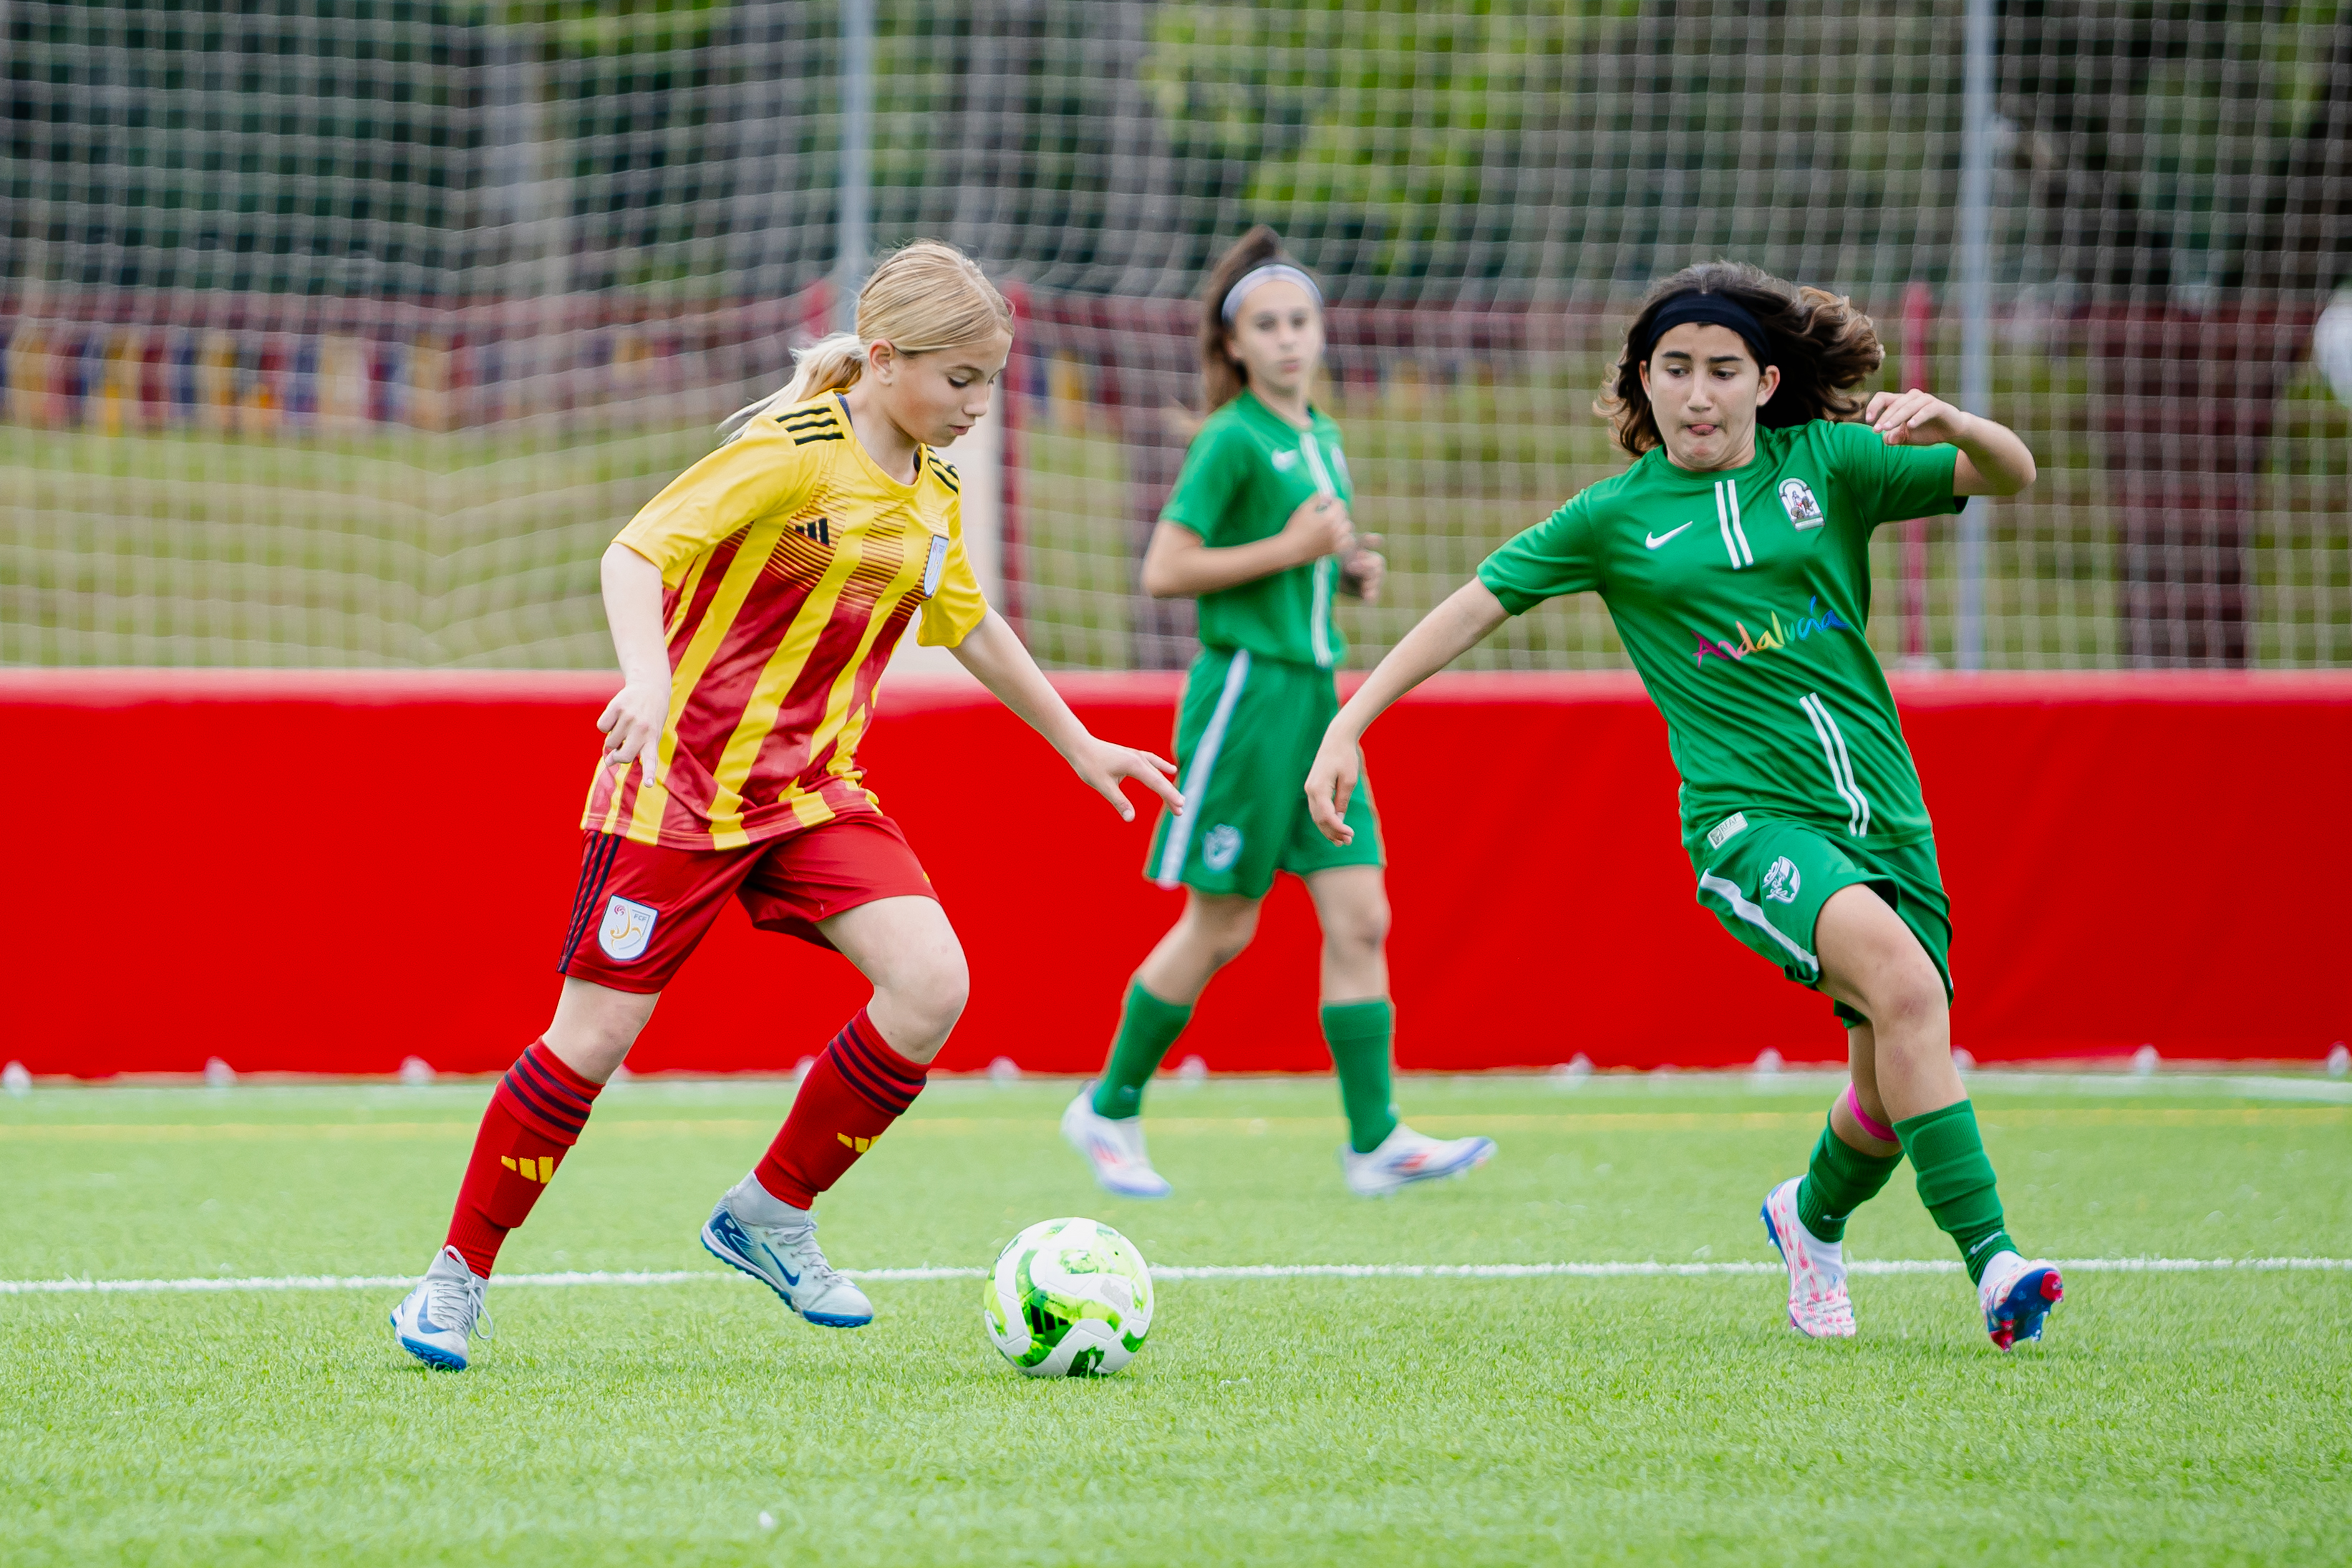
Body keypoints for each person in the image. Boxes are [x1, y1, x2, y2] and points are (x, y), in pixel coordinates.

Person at [390, 241, 1183, 1370]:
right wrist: (648, 678)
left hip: (810, 795)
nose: (978, 405)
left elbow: (966, 621)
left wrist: (1077, 742)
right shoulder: (792, 454)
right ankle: (453, 1277)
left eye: (991, 381)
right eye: (961, 379)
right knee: (594, 1037)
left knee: (932, 983)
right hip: (677, 790)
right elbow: (634, 553)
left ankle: (769, 1211)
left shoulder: (934, 492)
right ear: (888, 359)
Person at [1302, 261, 2064, 1350]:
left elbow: (2010, 473)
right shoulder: (1614, 517)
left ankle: (1808, 1220)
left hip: (1887, 816)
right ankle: (1996, 1265)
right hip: (1748, 826)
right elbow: (1471, 606)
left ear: (1765, 382)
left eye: (1721, 370)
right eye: (1673, 369)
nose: (1697, 393)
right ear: (1642, 382)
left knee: (1892, 1086)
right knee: (1906, 992)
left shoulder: (1832, 464)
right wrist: (1349, 722)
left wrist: (1956, 422)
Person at [1060, 226, 1496, 1200]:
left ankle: (1375, 1140)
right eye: (1267, 324)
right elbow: (1165, 569)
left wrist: (1345, 568)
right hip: (1247, 699)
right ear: (1234, 343)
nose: (1289, 338)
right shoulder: (1230, 438)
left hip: (1317, 701)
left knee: (1362, 914)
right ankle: (1108, 1107)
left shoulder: (1321, 437)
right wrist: (1293, 552)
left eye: (1300, 320)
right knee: (1221, 924)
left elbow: (1302, 551)